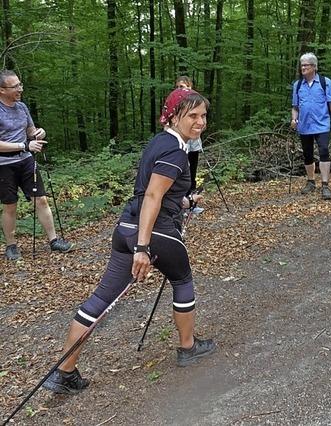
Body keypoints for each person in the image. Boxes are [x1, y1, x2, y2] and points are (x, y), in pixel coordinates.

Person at [43, 89, 214, 394]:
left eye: (203, 115)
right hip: (151, 234)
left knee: (99, 300)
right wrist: (143, 249)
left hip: (125, 227)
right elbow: (152, 195)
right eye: (192, 115)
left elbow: (154, 192)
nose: (200, 121)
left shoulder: (160, 142)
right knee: (183, 279)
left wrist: (184, 202)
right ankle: (188, 348)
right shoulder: (176, 152)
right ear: (173, 115)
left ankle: (63, 372)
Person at [0, 70, 74, 260]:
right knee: (10, 205)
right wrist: (24, 144)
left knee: (41, 199)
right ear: (2, 90)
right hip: (4, 164)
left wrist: (38, 133)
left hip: (26, 160)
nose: (20, 89)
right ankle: (11, 246)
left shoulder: (22, 107)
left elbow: (30, 130)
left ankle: (54, 240)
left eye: (20, 84)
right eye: (15, 86)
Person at [291, 52, 331, 200]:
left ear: (314, 67)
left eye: (306, 65)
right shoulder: (297, 85)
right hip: (304, 126)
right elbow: (295, 107)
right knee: (307, 154)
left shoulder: (325, 82)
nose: (303, 68)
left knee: (324, 151)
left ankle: (325, 185)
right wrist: (294, 120)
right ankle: (311, 181)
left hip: (322, 124)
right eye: (301, 65)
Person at [174, 76, 204, 214]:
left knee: (192, 172)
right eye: (180, 86)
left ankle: (191, 203)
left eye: (185, 86)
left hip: (194, 143)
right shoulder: (174, 102)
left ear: (191, 87)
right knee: (181, 172)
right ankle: (180, 203)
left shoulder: (197, 101)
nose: (183, 89)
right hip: (180, 142)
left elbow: (202, 121)